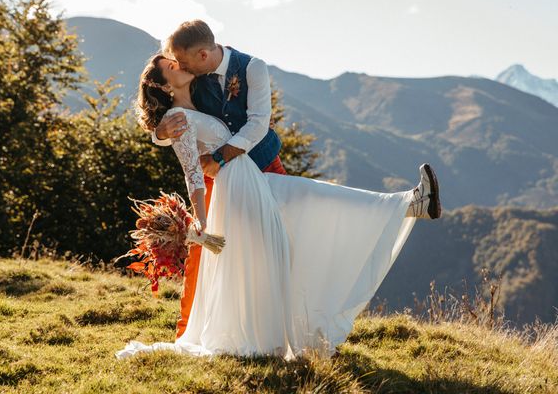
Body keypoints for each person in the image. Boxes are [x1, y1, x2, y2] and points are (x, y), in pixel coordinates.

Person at [115, 50, 442, 360]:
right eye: (170, 65)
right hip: (236, 188)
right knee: (296, 218)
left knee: (306, 206)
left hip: (250, 178)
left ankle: (407, 204)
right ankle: (406, 205)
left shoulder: (201, 91)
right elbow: (192, 175)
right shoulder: (176, 118)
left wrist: (160, 130)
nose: (177, 62)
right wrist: (201, 223)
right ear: (162, 84)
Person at [149, 20, 289, 339]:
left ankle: (280, 323)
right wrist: (160, 134)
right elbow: (172, 109)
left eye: (182, 62)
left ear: (202, 54)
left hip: (263, 163)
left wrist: (219, 157)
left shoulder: (253, 68)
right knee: (208, 250)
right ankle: (191, 328)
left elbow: (257, 125)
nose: (179, 67)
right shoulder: (191, 76)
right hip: (220, 181)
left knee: (281, 234)